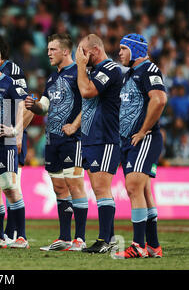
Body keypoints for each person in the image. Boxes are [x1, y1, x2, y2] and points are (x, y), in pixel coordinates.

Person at [25, 33, 88, 251]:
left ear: (64, 51)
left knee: (75, 185)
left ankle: (80, 239)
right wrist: (33, 106)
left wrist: (75, 125)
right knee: (59, 187)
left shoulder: (79, 73)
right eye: (48, 49)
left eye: (52, 49)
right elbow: (44, 106)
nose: (48, 53)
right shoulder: (52, 78)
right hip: (52, 140)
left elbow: (89, 103)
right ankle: (64, 238)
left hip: (72, 139)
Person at [114, 33, 166, 258]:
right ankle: (153, 246)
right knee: (143, 190)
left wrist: (144, 130)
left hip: (144, 138)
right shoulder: (130, 74)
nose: (119, 53)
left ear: (135, 50)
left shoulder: (149, 70)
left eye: (123, 49)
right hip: (128, 141)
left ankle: (138, 245)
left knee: (134, 186)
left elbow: (159, 99)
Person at [0, 32, 34, 244]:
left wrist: (16, 131)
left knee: (10, 187)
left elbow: (23, 103)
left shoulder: (9, 80)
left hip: (6, 143)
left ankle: (21, 236)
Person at [75, 34, 123, 253]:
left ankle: (105, 240)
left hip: (105, 137)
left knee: (102, 188)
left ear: (94, 50)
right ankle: (109, 238)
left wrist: (80, 67)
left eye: (83, 52)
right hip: (91, 138)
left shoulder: (110, 69)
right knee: (97, 188)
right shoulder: (94, 72)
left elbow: (86, 92)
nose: (80, 57)